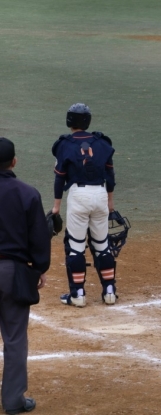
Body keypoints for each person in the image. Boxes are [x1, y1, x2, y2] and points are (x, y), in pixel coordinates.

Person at [0, 137, 51, 414]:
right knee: (15, 339)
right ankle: (13, 402)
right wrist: (39, 268)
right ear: (14, 162)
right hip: (13, 272)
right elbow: (39, 237)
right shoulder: (27, 193)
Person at [51, 103, 118, 307]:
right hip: (100, 195)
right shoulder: (102, 143)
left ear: (69, 120)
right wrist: (110, 200)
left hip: (78, 196)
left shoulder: (64, 144)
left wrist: (56, 207)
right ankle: (109, 292)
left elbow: (60, 178)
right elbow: (110, 175)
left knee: (75, 247)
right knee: (102, 245)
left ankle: (78, 295)